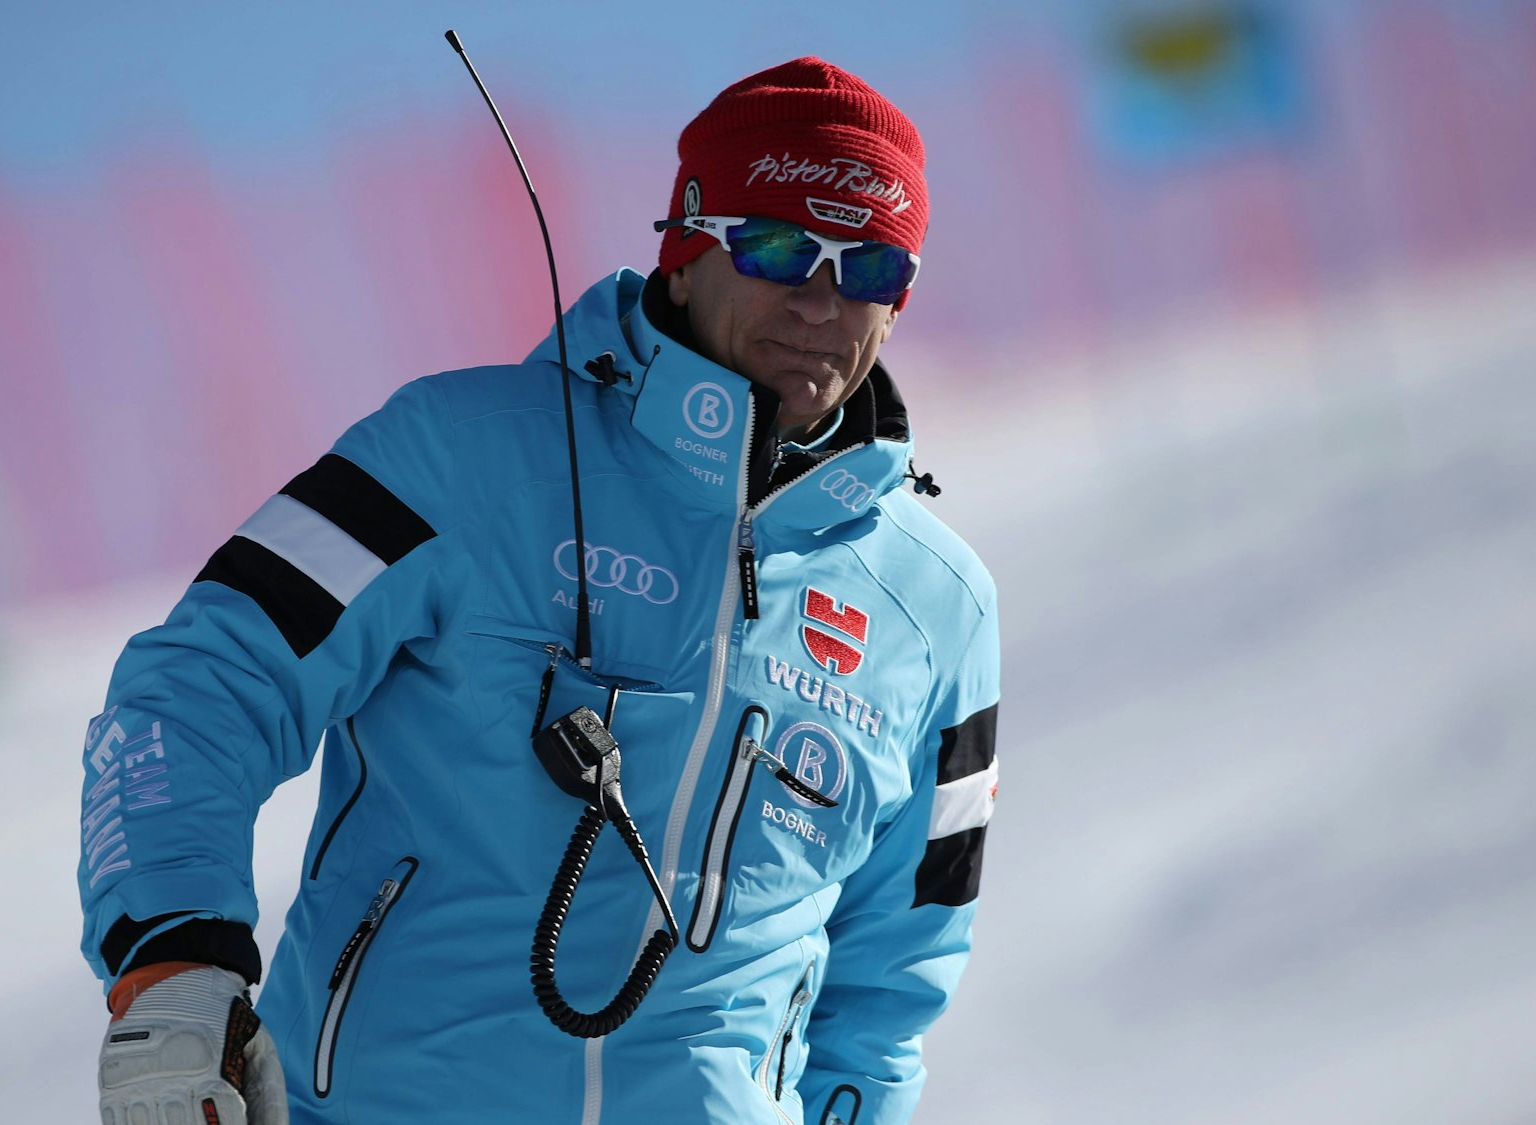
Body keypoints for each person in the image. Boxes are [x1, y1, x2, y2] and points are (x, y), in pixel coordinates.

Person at [82, 56, 1000, 1125]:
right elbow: (203, 685)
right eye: (778, 247)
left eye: (871, 267)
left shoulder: (940, 612)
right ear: (686, 251)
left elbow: (892, 983)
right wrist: (174, 961)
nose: (820, 301)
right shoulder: (451, 455)